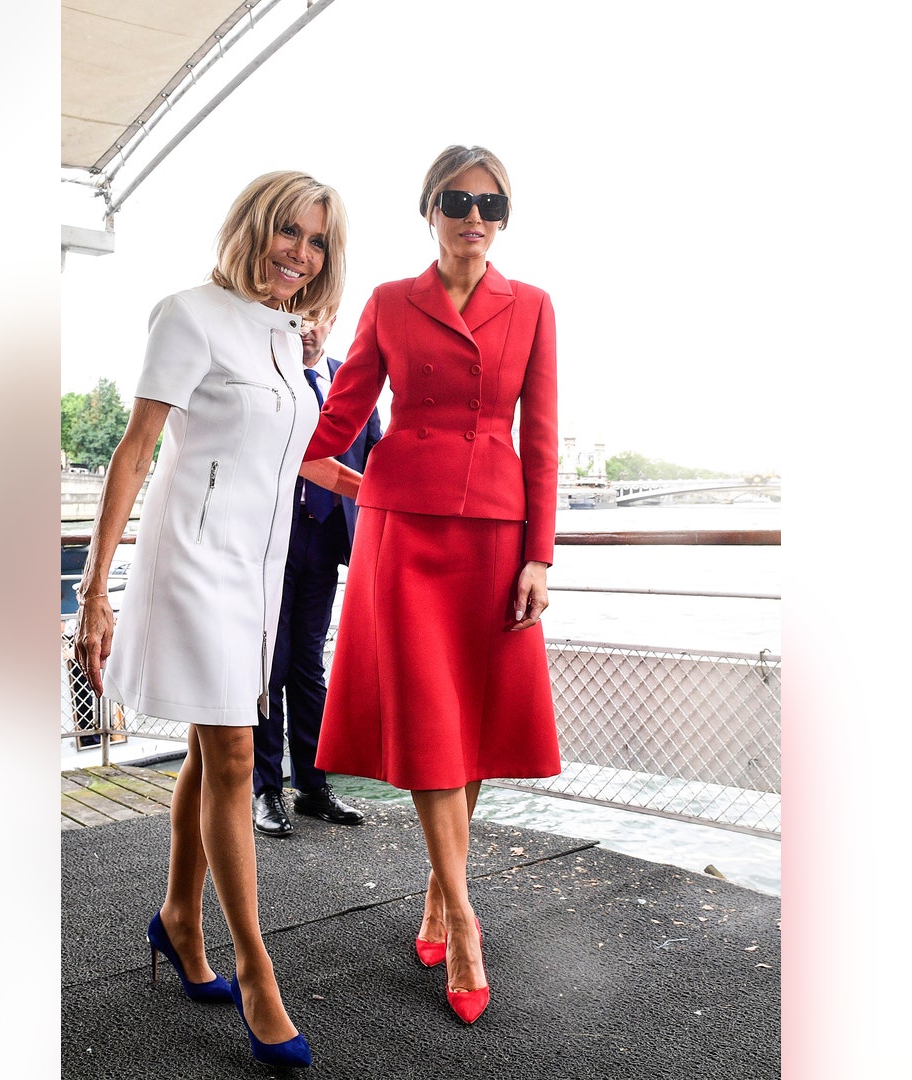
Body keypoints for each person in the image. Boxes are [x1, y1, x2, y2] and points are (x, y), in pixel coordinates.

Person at [73, 170, 361, 1070]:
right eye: (289, 232)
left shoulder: (292, 338)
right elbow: (136, 449)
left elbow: (291, 461)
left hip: (260, 570)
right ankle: (257, 970)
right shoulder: (187, 314)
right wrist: (94, 588)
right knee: (236, 752)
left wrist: (399, 497)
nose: (301, 254)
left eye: (317, 242)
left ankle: (177, 919)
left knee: (210, 749)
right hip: (192, 559)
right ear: (253, 228)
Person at [299, 145, 560, 1025]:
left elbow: (546, 438)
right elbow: (331, 428)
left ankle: (438, 902)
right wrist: (350, 477)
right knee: (428, 721)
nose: (473, 215)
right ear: (429, 208)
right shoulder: (386, 303)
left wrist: (540, 555)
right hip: (402, 539)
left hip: (495, 537)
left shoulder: (533, 309)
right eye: (457, 199)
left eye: (491, 203)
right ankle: (468, 926)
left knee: (469, 726)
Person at [252, 312, 382, 838]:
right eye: (296, 317)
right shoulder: (266, 376)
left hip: (326, 544)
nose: (306, 328)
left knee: (308, 665)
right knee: (271, 666)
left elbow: (377, 461)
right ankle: (266, 791)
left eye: (316, 317)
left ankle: (312, 786)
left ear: (331, 320)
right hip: (268, 542)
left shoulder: (354, 383)